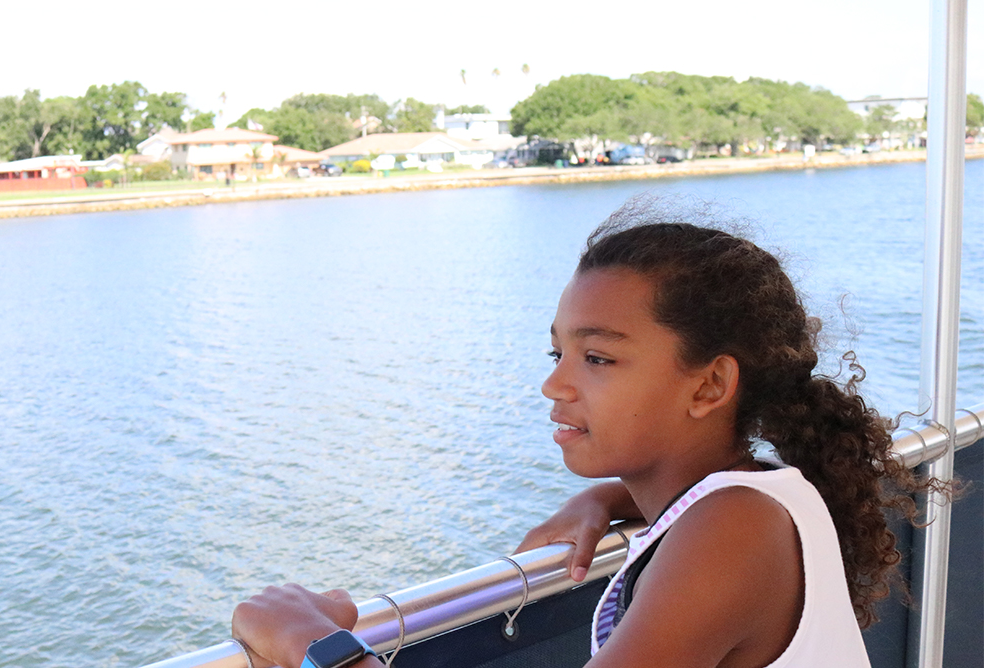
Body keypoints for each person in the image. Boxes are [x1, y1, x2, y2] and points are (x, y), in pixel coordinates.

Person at [231, 207, 941, 668]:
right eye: (557, 355)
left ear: (709, 386)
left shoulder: (735, 529)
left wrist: (310, 642)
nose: (555, 385)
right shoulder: (760, 497)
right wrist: (612, 497)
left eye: (597, 358)